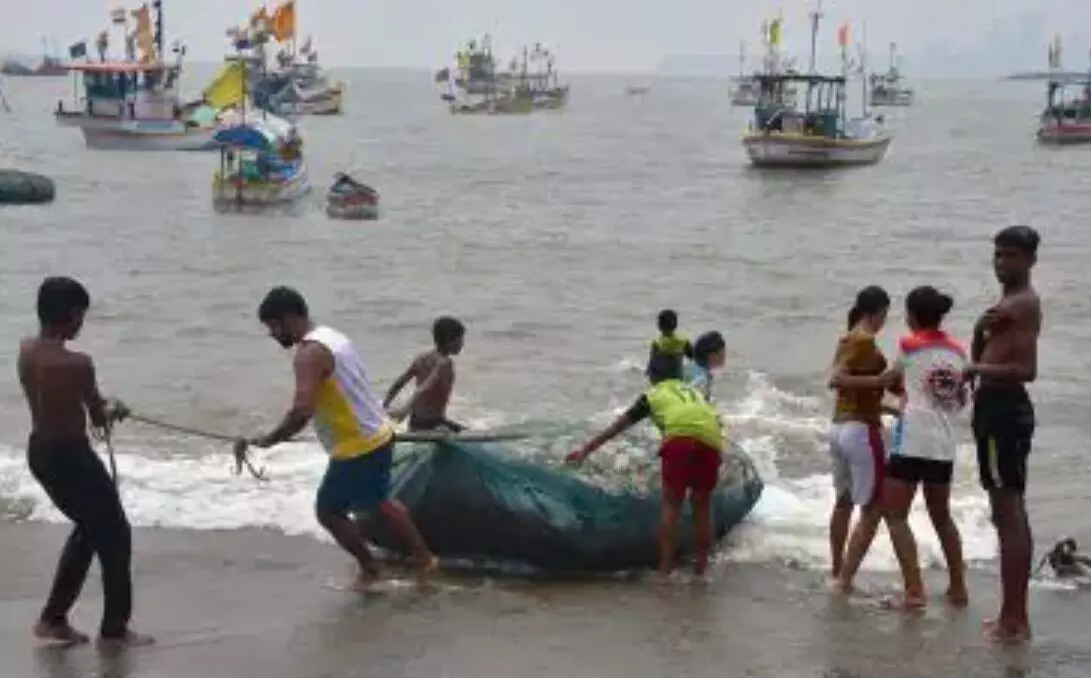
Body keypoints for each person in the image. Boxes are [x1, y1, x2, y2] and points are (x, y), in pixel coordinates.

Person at [238, 287, 437, 588]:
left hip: (357, 446)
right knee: (379, 501)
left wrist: (269, 439)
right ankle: (425, 559)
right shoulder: (332, 336)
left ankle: (371, 569)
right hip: (378, 434)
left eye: (273, 326)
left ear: (290, 318)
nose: (272, 334)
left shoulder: (308, 354)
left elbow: (301, 411)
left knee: (328, 512)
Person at [18, 277, 152, 648]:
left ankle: (53, 619)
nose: (83, 324)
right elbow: (98, 416)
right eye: (82, 316)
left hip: (40, 453)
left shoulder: (26, 350)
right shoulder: (78, 363)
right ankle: (113, 630)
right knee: (116, 535)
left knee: (90, 529)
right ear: (73, 315)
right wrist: (115, 409)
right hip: (72, 457)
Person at [832, 286, 969, 609]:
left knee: (895, 516)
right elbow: (958, 397)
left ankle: (914, 590)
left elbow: (886, 381)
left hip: (911, 443)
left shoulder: (909, 345)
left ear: (911, 317)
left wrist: (844, 381)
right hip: (944, 446)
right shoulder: (958, 352)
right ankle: (958, 588)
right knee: (943, 518)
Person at [566, 354, 724, 577]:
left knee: (672, 506)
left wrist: (586, 450)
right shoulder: (695, 393)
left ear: (653, 376)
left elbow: (617, 427)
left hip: (679, 438)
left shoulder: (653, 394)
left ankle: (665, 570)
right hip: (711, 440)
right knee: (702, 507)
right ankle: (701, 570)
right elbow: (715, 422)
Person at [966, 225, 1042, 644]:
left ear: (1030, 260)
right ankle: (1012, 615)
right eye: (997, 255)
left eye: (1010, 256)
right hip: (994, 410)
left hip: (1004, 411)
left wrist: (975, 370)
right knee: (1006, 510)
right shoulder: (1007, 303)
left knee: (1008, 511)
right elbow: (986, 355)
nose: (1001, 263)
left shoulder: (1024, 304)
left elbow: (1026, 370)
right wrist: (978, 333)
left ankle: (1015, 619)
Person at [826, 285, 899, 594]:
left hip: (839, 428)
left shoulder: (846, 337)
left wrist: (885, 406)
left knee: (843, 503)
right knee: (873, 507)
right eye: (885, 314)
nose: (886, 320)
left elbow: (850, 391)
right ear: (878, 312)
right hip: (861, 432)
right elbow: (836, 379)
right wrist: (881, 381)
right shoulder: (864, 341)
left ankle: (836, 568)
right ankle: (845, 581)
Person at [384, 317, 466, 432]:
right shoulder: (445, 363)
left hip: (415, 422)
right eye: (461, 339)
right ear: (450, 341)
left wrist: (384, 406)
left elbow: (399, 383)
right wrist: (404, 410)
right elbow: (424, 388)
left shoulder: (422, 358)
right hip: (435, 424)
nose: (463, 344)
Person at [647, 309, 692, 380]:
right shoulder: (683, 341)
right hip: (678, 380)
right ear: (676, 325)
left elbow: (651, 368)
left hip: (660, 382)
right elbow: (694, 359)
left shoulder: (657, 343)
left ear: (659, 326)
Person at [684, 331, 727, 402]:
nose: (724, 357)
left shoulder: (690, 365)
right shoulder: (702, 378)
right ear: (712, 355)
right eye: (722, 354)